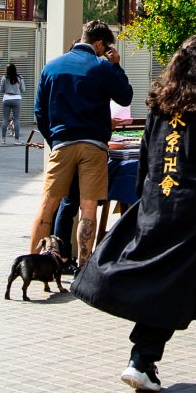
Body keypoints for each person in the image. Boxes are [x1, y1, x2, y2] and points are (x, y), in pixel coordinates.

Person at [73, 34, 196, 393]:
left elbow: (147, 159)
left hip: (161, 207)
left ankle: (152, 359)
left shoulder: (162, 103)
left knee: (171, 282)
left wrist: (144, 204)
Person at [31, 21, 134, 262]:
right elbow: (125, 96)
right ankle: (83, 266)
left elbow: (39, 111)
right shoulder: (102, 67)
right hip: (93, 147)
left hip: (62, 143)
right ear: (99, 43)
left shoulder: (51, 67)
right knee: (88, 207)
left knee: (48, 206)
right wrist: (116, 66)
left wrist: (54, 139)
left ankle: (34, 261)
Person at [0, 63, 25, 141]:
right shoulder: (20, 78)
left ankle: (3, 139)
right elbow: (23, 90)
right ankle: (17, 139)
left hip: (6, 99)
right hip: (17, 99)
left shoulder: (4, 78)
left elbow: (1, 90)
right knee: (16, 119)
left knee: (5, 119)